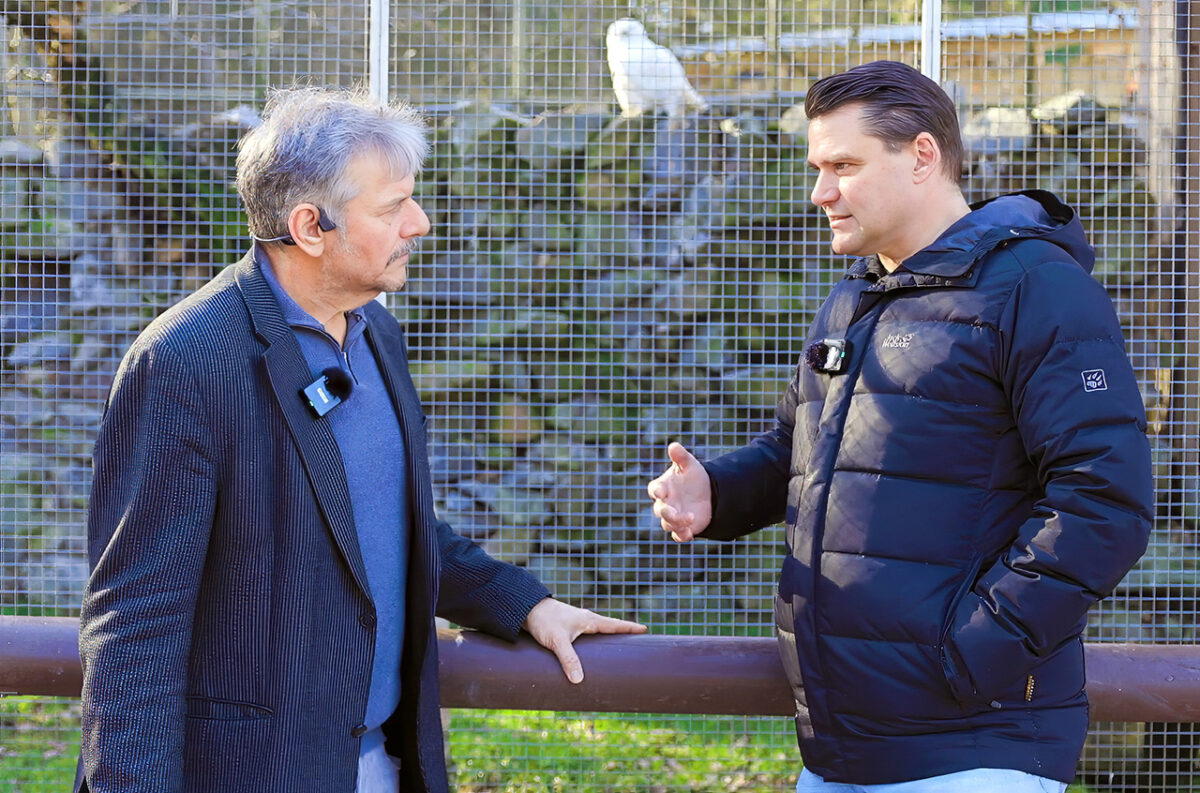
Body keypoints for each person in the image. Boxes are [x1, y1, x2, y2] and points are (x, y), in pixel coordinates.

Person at [76, 86, 645, 793]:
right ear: (310, 226)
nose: (420, 222)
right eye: (392, 207)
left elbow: (381, 524)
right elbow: (135, 626)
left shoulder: (376, 331)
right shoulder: (186, 362)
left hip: (382, 761)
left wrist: (521, 601)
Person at [648, 61, 1152, 793]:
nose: (820, 191)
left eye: (843, 165)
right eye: (818, 167)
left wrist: (974, 652)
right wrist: (715, 493)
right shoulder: (855, 299)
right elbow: (801, 454)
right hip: (841, 751)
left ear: (921, 155)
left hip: (973, 749)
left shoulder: (1036, 287)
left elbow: (1105, 497)